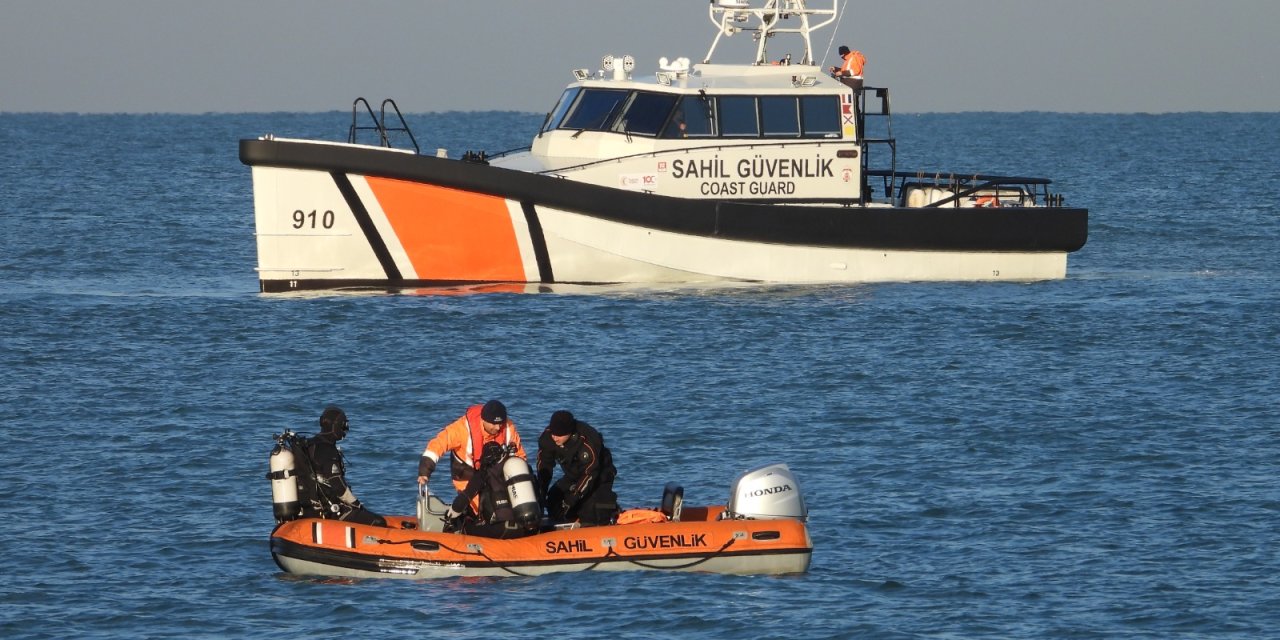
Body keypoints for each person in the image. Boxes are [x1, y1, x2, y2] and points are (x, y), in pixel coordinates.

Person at [417, 399, 528, 515]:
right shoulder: (462, 429)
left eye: (500, 423)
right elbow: (437, 445)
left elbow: (520, 456)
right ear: (483, 420)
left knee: (505, 505)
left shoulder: (508, 428)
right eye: (494, 424)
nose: (498, 428)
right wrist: (424, 472)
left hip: (495, 475)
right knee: (478, 509)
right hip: (467, 475)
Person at [304, 406, 387, 527]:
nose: (346, 429)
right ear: (337, 425)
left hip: (311, 508)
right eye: (344, 425)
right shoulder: (327, 450)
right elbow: (338, 486)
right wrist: (357, 505)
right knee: (379, 522)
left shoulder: (309, 445)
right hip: (330, 510)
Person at [536, 410, 619, 526]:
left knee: (588, 507)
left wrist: (572, 498)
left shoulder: (588, 439)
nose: (555, 438)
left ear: (569, 432)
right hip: (572, 474)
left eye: (559, 435)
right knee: (553, 498)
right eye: (553, 434)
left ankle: (607, 514)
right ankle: (562, 523)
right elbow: (544, 466)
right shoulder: (548, 438)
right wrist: (541, 491)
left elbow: (590, 473)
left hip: (599, 474)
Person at [443, 443, 536, 539]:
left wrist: (451, 516)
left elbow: (464, 498)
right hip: (526, 529)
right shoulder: (522, 468)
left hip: (501, 529)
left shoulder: (485, 473)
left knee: (465, 525)